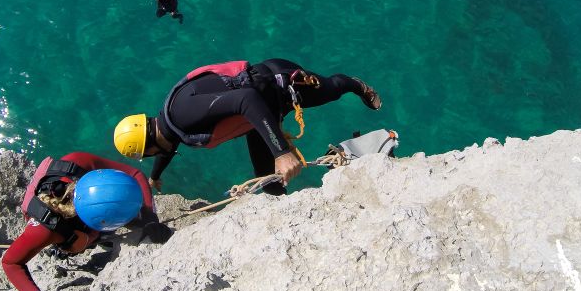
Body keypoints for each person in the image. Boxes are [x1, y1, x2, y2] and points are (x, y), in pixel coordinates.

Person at [113, 59, 381, 196]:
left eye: (148, 155)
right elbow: (166, 148)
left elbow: (246, 98)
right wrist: (155, 175)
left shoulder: (183, 116)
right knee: (268, 181)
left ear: (149, 146)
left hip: (282, 85)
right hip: (259, 117)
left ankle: (355, 84)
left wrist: (282, 153)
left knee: (332, 89)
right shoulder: (169, 125)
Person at [2, 152, 172, 291]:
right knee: (79, 243)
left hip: (80, 222)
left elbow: (135, 173)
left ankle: (93, 239)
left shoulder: (79, 162)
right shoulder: (45, 230)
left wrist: (150, 217)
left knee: (89, 238)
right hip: (63, 230)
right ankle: (69, 247)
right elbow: (10, 262)